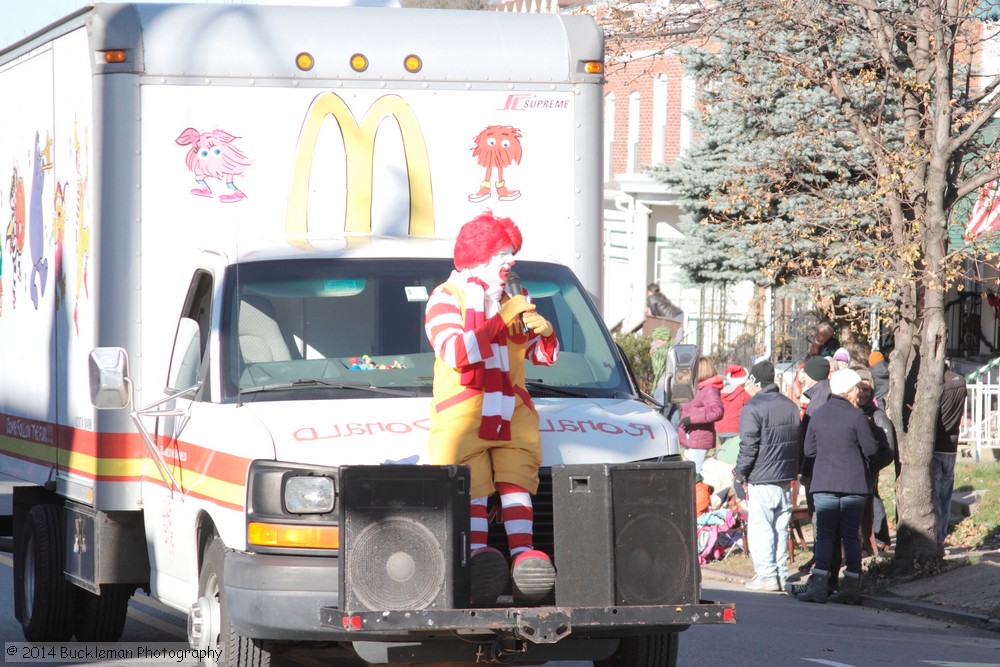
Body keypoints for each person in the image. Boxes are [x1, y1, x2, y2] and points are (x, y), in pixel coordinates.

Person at [424, 211, 559, 605]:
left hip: (512, 408)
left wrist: (544, 334)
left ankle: (524, 559)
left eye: (512, 252)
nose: (510, 260)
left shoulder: (516, 298)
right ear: (479, 255)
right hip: (465, 412)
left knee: (518, 481)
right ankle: (480, 559)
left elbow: (537, 355)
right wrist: (501, 318)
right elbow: (456, 351)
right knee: (474, 490)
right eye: (502, 252)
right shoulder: (445, 298)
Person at [797, 368, 880, 604]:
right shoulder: (856, 417)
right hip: (854, 484)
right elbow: (871, 450)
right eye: (856, 388)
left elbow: (808, 451)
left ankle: (820, 587)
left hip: (824, 483)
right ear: (849, 390)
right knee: (851, 537)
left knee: (824, 535)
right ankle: (852, 587)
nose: (858, 392)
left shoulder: (818, 414)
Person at [732, 360, 801, 592]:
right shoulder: (791, 406)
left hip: (761, 475)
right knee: (780, 527)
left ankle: (766, 575)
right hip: (785, 476)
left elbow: (748, 446)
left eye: (748, 382)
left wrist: (740, 473)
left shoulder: (752, 407)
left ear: (754, 381)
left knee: (761, 527)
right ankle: (780, 574)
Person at [854, 366, 896, 554]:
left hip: (867, 475)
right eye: (859, 389)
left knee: (871, 504)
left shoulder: (878, 417)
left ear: (872, 391)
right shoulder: (853, 413)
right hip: (853, 474)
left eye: (866, 390)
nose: (862, 394)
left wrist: (870, 467)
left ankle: (878, 540)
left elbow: (888, 452)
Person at [934, 362, 968, 553]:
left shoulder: (938, 384)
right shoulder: (960, 382)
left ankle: (937, 538)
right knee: (946, 495)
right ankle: (942, 535)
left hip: (937, 446)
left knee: (935, 497)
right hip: (952, 446)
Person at [677, 358, 724, 475]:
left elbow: (717, 411)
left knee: (694, 476)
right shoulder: (699, 388)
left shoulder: (709, 389)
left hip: (699, 440)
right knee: (690, 475)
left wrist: (691, 419)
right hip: (691, 438)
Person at [716, 364, 750, 443]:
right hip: (735, 428)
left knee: (725, 451)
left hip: (721, 428)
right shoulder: (744, 394)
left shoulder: (721, 393)